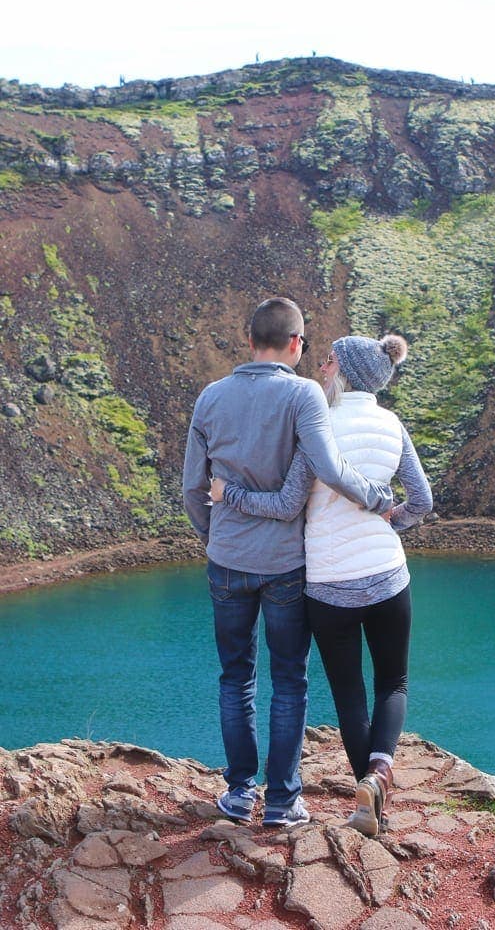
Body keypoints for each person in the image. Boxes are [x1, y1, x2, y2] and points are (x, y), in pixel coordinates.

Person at [182, 298, 392, 829]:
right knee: (289, 680)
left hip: (226, 561)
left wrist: (218, 538)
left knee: (235, 677)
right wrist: (377, 498)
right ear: (296, 344)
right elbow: (328, 466)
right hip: (284, 567)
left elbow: (191, 489)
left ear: (250, 338)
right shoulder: (303, 394)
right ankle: (281, 803)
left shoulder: (211, 397)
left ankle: (236, 794)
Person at [211, 333, 432, 836]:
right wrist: (384, 525)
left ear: (345, 370)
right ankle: (378, 776)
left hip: (329, 585)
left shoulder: (316, 425)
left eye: (330, 360)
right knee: (392, 681)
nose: (323, 367)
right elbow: (421, 501)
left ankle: (367, 800)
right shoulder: (392, 424)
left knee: (350, 695)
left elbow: (287, 505)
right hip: (388, 576)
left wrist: (231, 495)